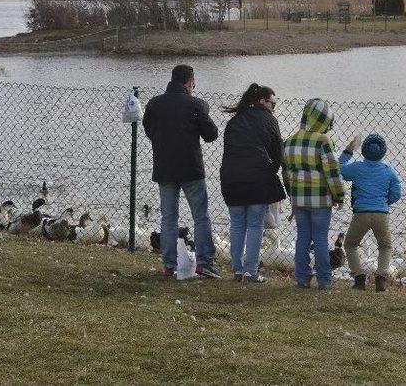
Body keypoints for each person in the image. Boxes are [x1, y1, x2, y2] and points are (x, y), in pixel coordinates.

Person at [143, 65, 220, 278]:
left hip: (164, 168)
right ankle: (204, 262)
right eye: (193, 84)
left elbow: (149, 130)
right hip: (191, 168)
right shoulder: (195, 105)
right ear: (189, 82)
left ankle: (169, 264)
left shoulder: (154, 104)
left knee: (168, 217)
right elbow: (211, 134)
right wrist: (204, 109)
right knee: (200, 217)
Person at [220, 83, 286, 283]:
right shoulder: (269, 120)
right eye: (272, 103)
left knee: (237, 225)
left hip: (231, 179)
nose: (274, 107)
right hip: (258, 179)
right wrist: (270, 171)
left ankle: (237, 270)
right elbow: (278, 153)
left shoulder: (235, 120)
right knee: (255, 225)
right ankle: (251, 271)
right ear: (262, 101)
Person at [283, 98, 345, 290]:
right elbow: (332, 171)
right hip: (320, 199)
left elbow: (286, 173)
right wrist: (339, 196)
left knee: (302, 237)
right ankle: (324, 280)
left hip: (299, 198)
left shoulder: (289, 142)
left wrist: (292, 197)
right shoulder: (323, 141)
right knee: (320, 238)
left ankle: (302, 278)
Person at [339, 133, 402, 292]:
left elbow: (339, 168)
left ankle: (359, 278)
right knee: (385, 246)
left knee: (351, 244)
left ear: (364, 151)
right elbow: (396, 193)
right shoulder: (389, 171)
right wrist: (385, 202)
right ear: (383, 151)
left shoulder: (357, 168)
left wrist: (348, 151)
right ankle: (380, 279)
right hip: (381, 214)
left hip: (361, 213)